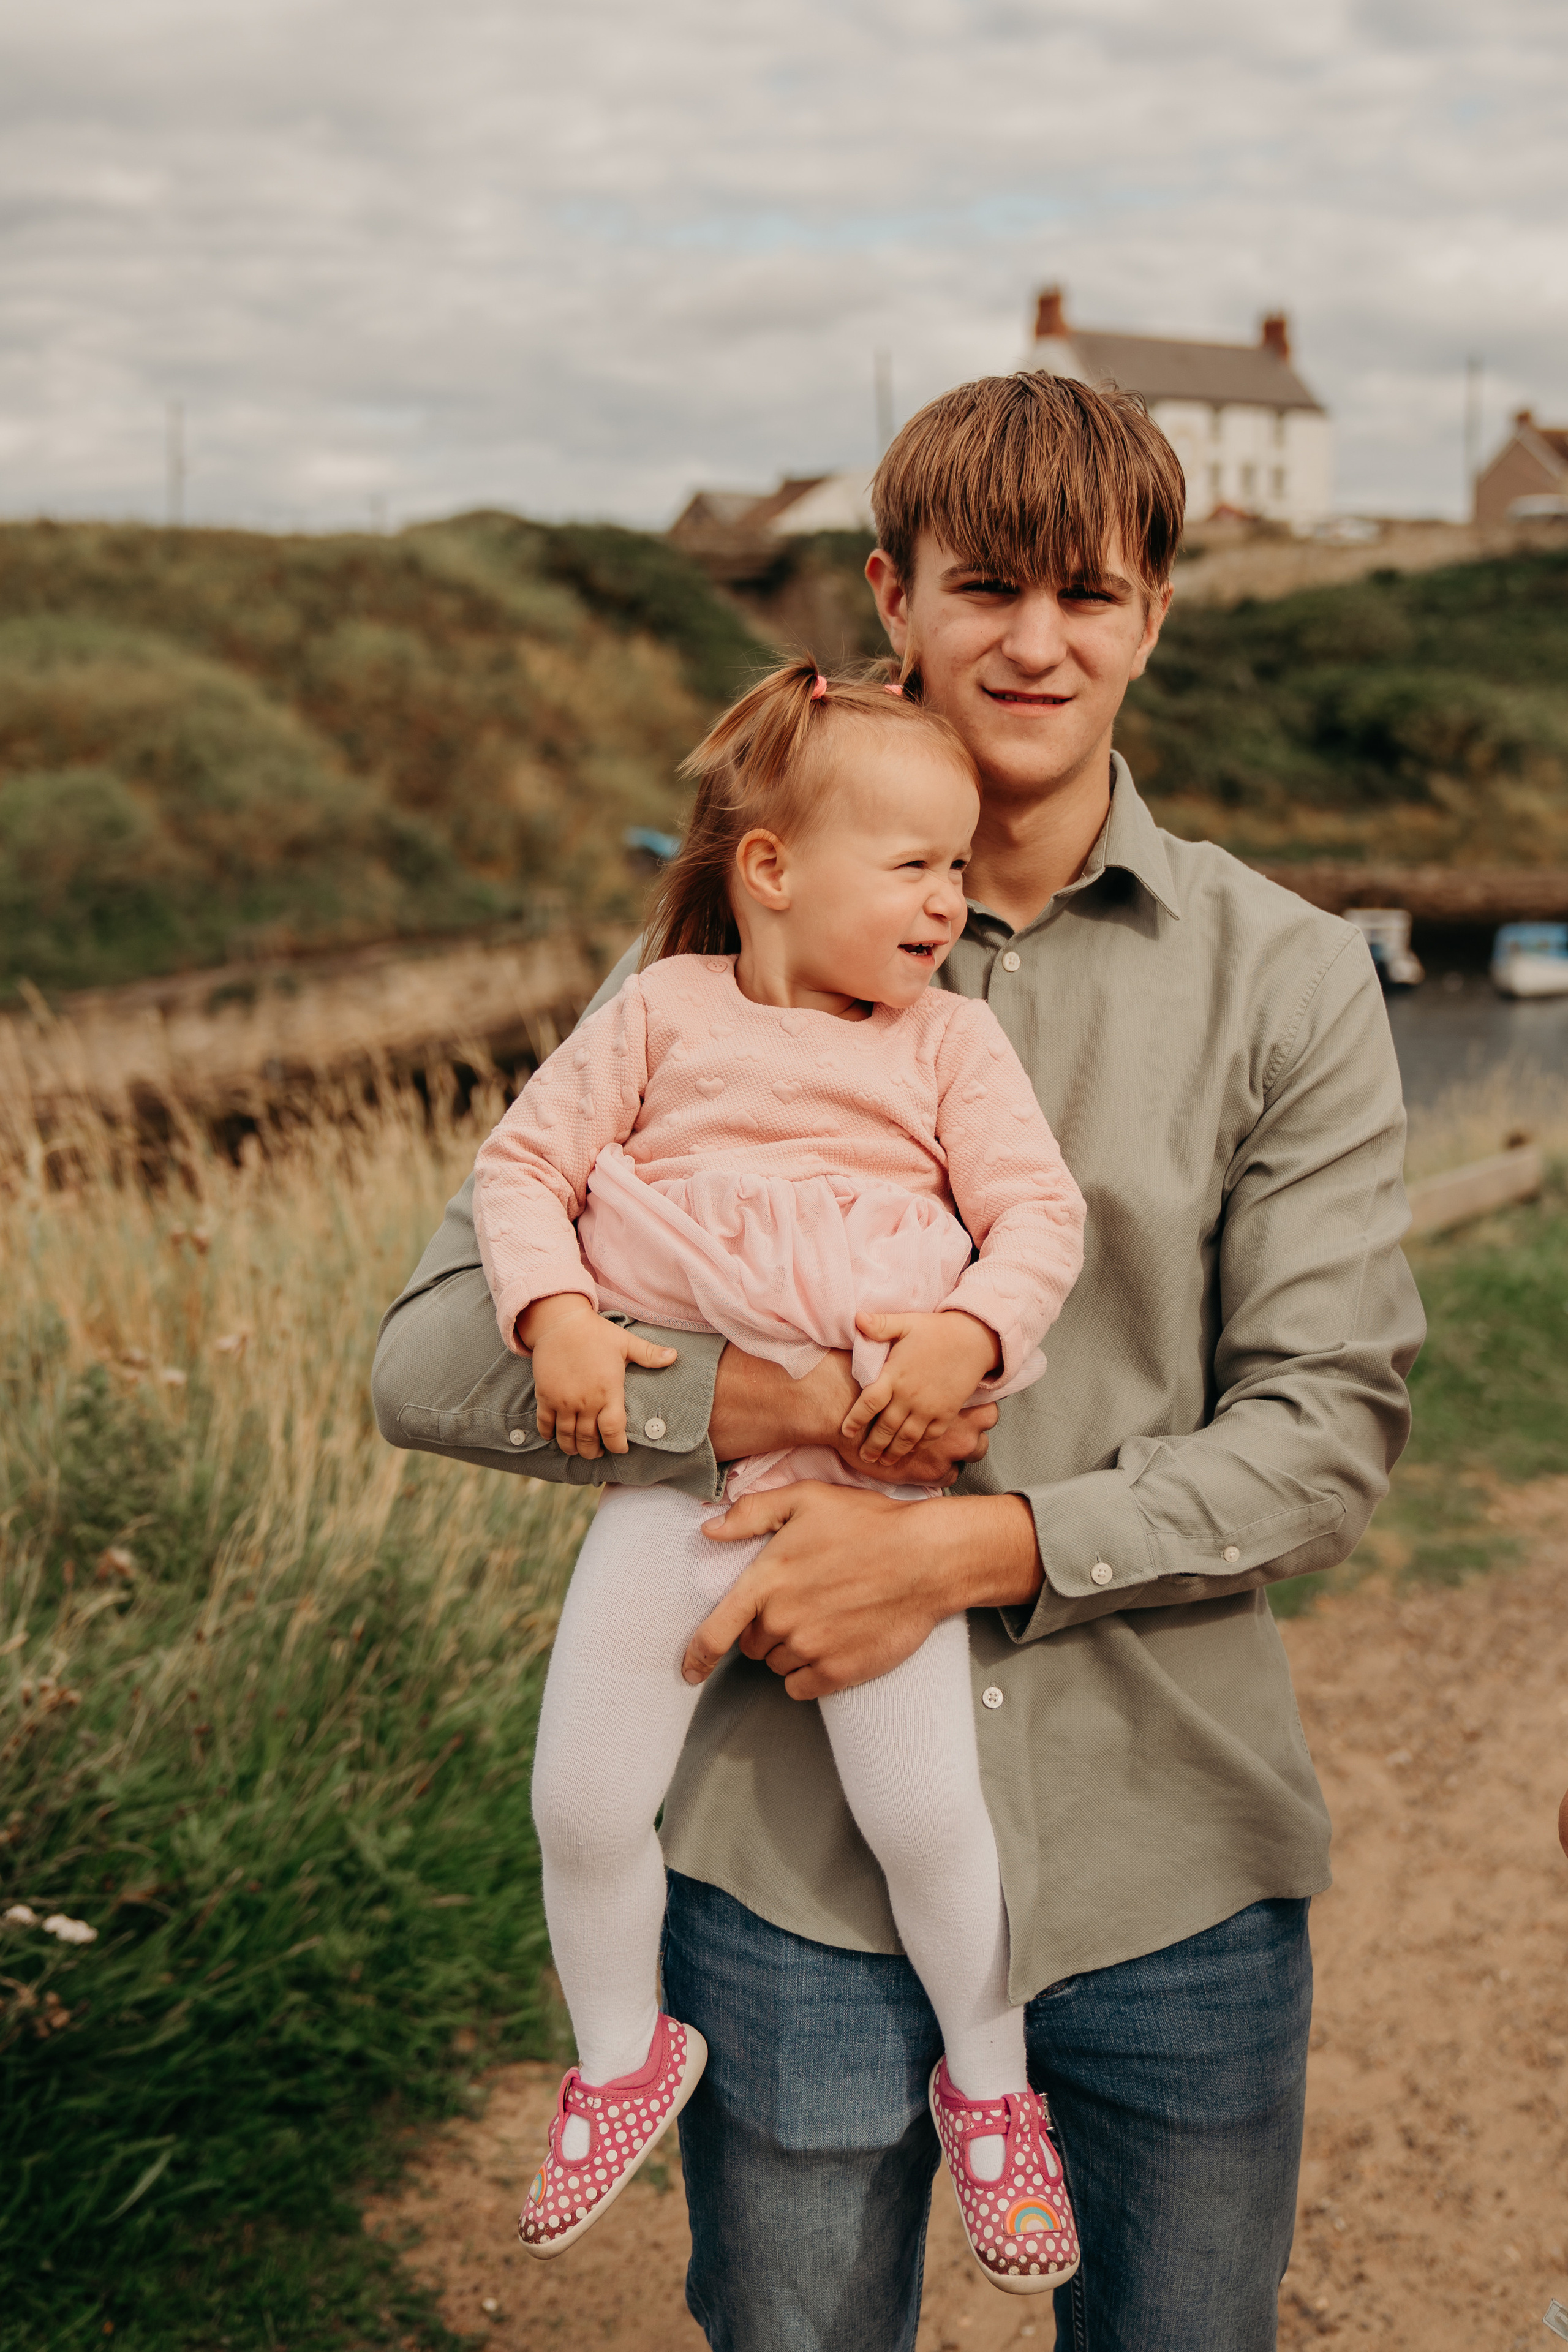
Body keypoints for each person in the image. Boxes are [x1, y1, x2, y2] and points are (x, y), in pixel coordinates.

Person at [374, 370, 1425, 2352]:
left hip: (1169, 1856)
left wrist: (954, 1552)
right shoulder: (710, 956)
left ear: (1156, 615)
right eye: (988, 585)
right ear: (895, 596)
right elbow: (433, 1356)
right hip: (782, 1875)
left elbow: (1327, 1433)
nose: (1039, 640)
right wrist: (760, 1411)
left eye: (1091, 595)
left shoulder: (1285, 974)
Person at [478, 662, 1085, 2286]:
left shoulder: (949, 1043)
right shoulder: (664, 1012)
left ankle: (994, 2088)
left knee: (926, 1819)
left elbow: (1040, 1218)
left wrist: (969, 1334)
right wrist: (554, 1318)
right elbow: (523, 1165)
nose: (952, 902)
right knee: (581, 1802)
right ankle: (621, 2056)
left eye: (961, 868)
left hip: (879, 1494)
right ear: (770, 871)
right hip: (677, 1493)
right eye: (915, 867)